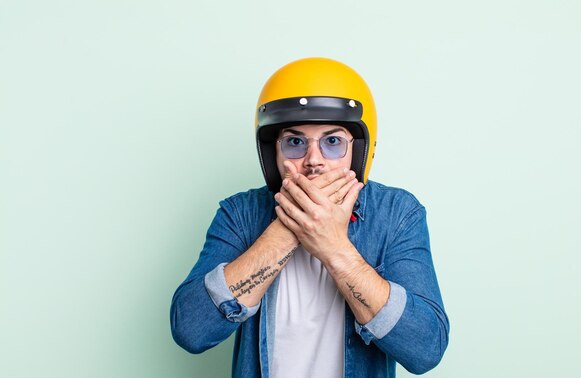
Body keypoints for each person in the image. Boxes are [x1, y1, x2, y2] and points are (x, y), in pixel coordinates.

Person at [170, 57, 449, 377]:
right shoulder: (240, 214)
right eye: (294, 142)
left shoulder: (397, 214)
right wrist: (290, 227)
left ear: (358, 150)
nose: (313, 161)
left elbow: (426, 349)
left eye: (333, 142)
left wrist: (333, 247)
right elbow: (191, 331)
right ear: (272, 154)